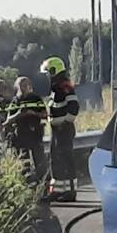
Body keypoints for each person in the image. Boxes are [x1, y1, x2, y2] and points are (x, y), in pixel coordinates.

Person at [40, 56, 80, 202]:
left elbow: (74, 107)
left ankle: (70, 192)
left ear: (54, 71)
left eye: (48, 73)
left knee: (66, 160)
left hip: (64, 129)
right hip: (56, 129)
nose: (47, 76)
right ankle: (57, 191)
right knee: (56, 159)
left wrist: (65, 122)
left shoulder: (65, 86)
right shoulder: (55, 89)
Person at [7, 76, 48, 184]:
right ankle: (26, 183)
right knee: (24, 161)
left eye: (26, 85)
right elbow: (9, 119)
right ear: (17, 87)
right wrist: (19, 114)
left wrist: (33, 113)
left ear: (29, 85)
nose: (24, 87)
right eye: (21, 85)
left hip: (35, 133)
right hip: (21, 134)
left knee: (40, 160)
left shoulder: (36, 98)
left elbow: (45, 114)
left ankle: (43, 183)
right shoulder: (15, 101)